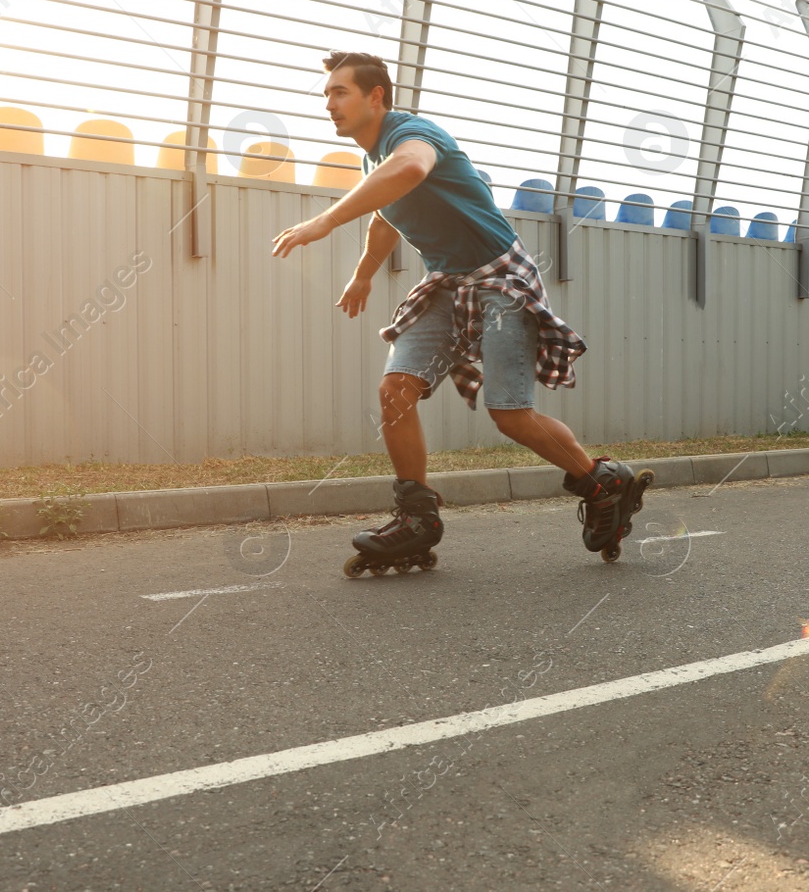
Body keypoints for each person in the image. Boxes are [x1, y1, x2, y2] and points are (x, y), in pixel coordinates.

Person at [271, 50, 648, 569]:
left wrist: (326, 221)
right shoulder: (371, 159)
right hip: (448, 283)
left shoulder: (413, 134)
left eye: (340, 92)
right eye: (326, 94)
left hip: (500, 278)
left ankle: (602, 484)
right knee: (396, 389)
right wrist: (362, 274)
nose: (329, 104)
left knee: (510, 415)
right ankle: (417, 520)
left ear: (375, 97)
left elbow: (408, 170)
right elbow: (385, 217)